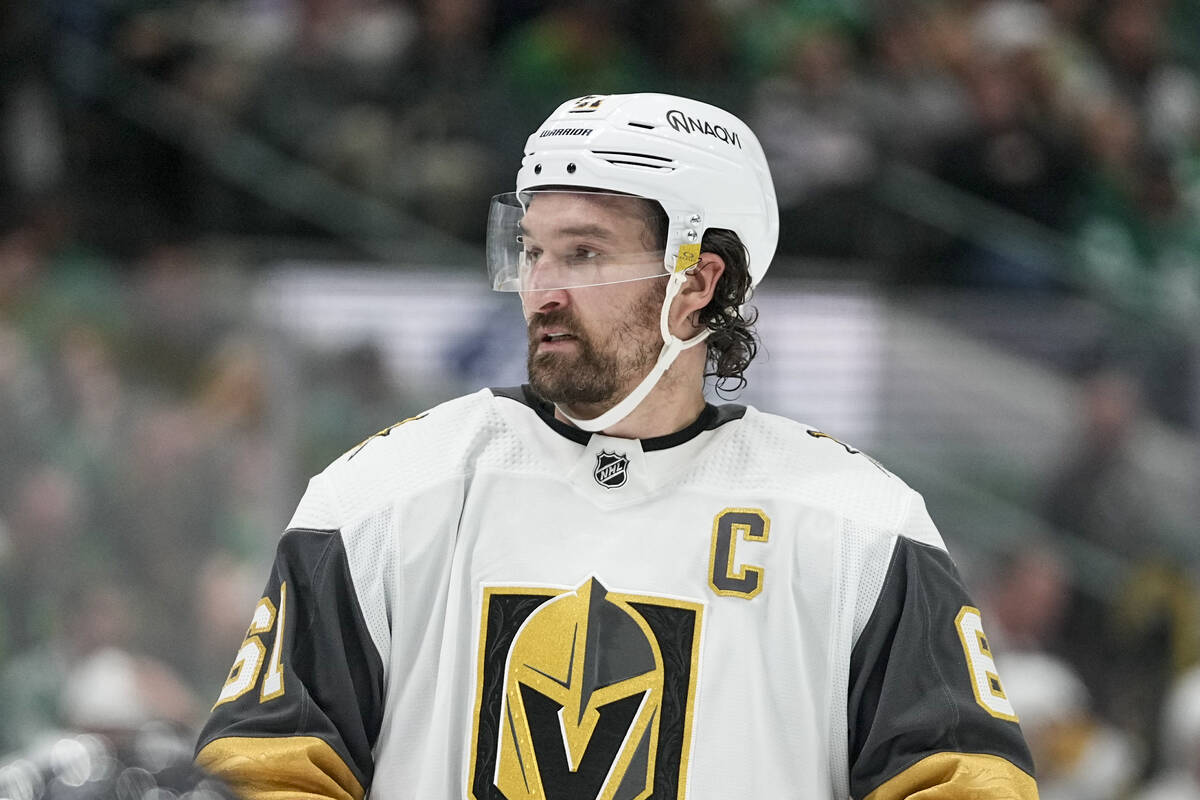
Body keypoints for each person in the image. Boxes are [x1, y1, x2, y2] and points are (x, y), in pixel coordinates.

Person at [194, 93, 1037, 799]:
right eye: (531, 252)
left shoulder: (860, 528)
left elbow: (959, 783)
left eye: (585, 254)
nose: (543, 291)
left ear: (700, 280)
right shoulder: (383, 495)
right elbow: (267, 772)